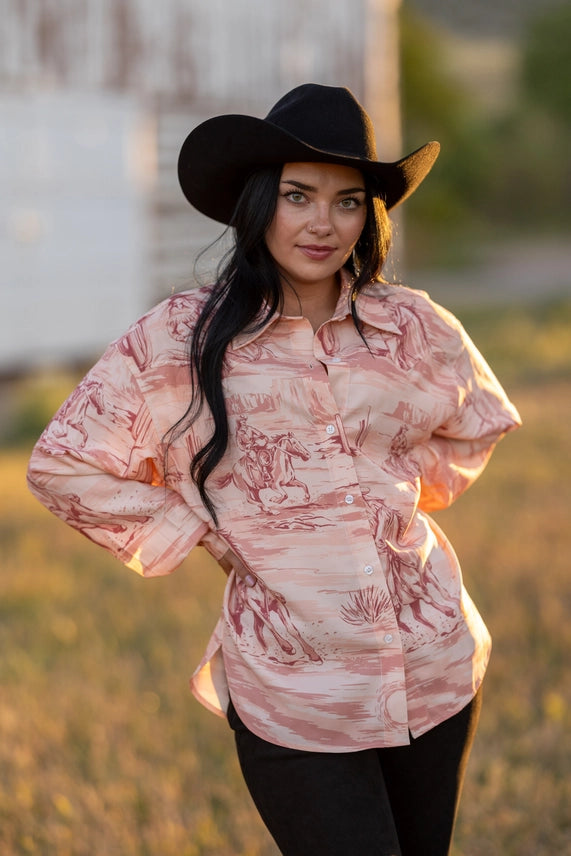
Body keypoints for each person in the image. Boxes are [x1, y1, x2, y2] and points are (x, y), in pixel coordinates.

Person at [27, 83, 521, 856]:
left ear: (370, 216)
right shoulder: (178, 339)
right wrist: (199, 530)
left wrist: (387, 490)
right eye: (298, 196)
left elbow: (476, 425)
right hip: (295, 688)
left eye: (347, 202)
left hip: (434, 664)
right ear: (260, 202)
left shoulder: (410, 324)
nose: (323, 223)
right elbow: (64, 465)